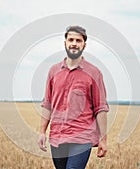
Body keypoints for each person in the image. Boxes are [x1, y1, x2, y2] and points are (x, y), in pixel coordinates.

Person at [38, 25, 109, 169]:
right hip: (57, 136)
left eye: (78, 40)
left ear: (84, 45)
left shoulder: (94, 73)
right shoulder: (53, 71)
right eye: (71, 40)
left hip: (82, 137)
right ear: (65, 43)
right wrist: (42, 132)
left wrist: (104, 139)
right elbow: (48, 104)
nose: (74, 43)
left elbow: (100, 108)